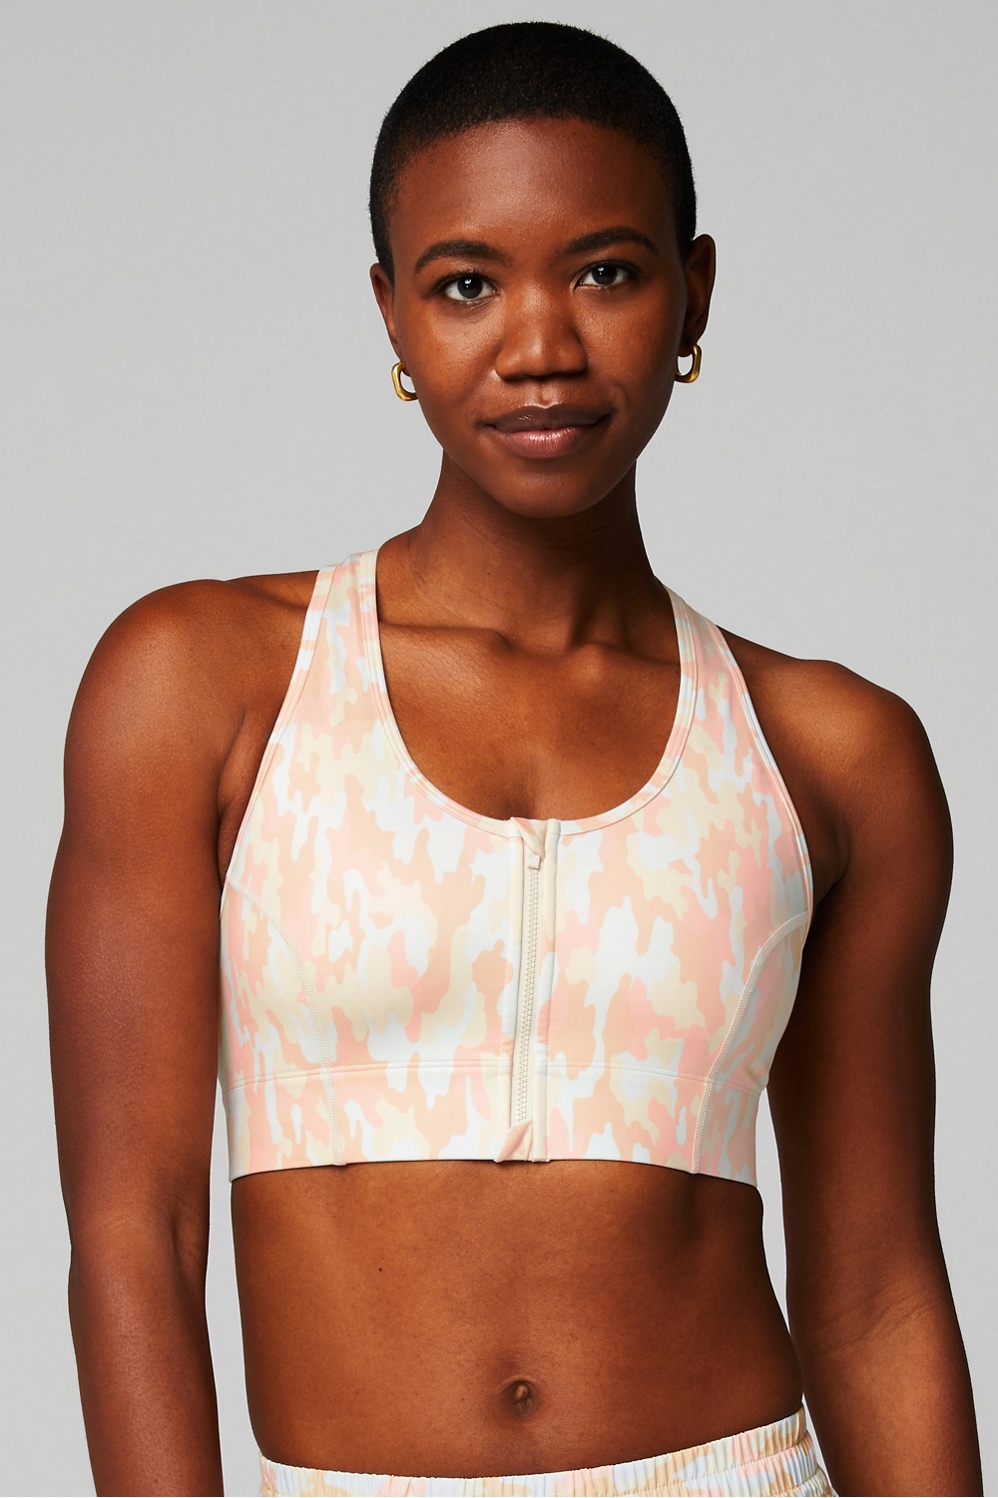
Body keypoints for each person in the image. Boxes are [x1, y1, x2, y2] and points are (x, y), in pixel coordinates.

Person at [46, 21, 982, 1498]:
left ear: (694, 292)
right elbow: (132, 1235)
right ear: (390, 313)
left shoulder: (829, 751)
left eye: (605, 271)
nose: (539, 347)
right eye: (466, 284)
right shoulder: (203, 684)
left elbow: (874, 1289)